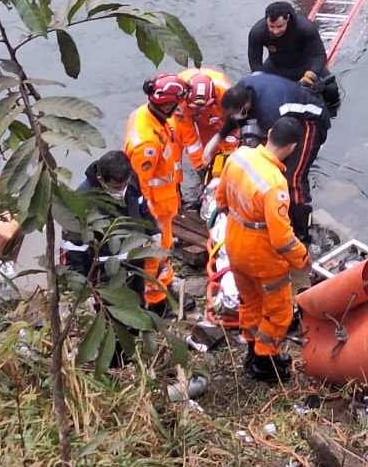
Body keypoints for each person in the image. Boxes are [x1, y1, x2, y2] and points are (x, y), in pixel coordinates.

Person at [215, 116, 311, 383]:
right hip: (263, 255)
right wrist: (302, 258)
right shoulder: (275, 184)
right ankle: (264, 361)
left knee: (250, 301)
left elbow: (221, 200)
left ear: (269, 133)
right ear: (292, 147)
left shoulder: (239, 156)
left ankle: (251, 347)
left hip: (235, 241)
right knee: (279, 312)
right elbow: (282, 239)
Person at [62, 151, 156, 365]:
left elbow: (142, 207)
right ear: (102, 181)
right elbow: (72, 248)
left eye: (124, 184)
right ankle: (113, 365)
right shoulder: (83, 201)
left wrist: (153, 231)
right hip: (105, 274)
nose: (122, 190)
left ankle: (127, 357)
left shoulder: (130, 180)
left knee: (136, 309)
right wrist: (80, 288)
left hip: (133, 264)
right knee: (112, 322)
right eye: (116, 187)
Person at [217, 71, 330, 230]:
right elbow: (235, 120)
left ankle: (302, 228)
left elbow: (274, 149)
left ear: (245, 107)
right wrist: (218, 137)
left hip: (311, 122)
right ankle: (278, 207)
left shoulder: (270, 111)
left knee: (294, 177)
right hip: (287, 111)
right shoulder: (241, 90)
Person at [123, 72, 187, 311]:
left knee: (165, 253)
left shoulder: (149, 115)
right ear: (167, 103)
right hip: (155, 212)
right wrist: (149, 226)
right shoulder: (146, 145)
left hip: (165, 205)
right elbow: (141, 187)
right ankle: (157, 305)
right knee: (154, 260)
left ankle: (165, 290)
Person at [247, 0, 341, 113]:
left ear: (287, 18)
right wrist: (263, 81)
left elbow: (320, 55)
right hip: (276, 66)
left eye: (279, 26)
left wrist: (311, 76)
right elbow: (255, 63)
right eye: (271, 27)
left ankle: (331, 113)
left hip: (305, 65)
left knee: (332, 89)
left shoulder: (305, 27)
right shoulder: (258, 32)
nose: (275, 31)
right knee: (255, 94)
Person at [172, 68, 237, 186]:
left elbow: (233, 125)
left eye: (203, 108)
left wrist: (229, 153)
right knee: (175, 141)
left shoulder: (225, 93)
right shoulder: (180, 103)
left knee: (221, 145)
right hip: (188, 110)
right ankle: (175, 183)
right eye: (197, 108)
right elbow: (189, 137)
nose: (200, 111)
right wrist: (200, 166)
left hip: (216, 109)